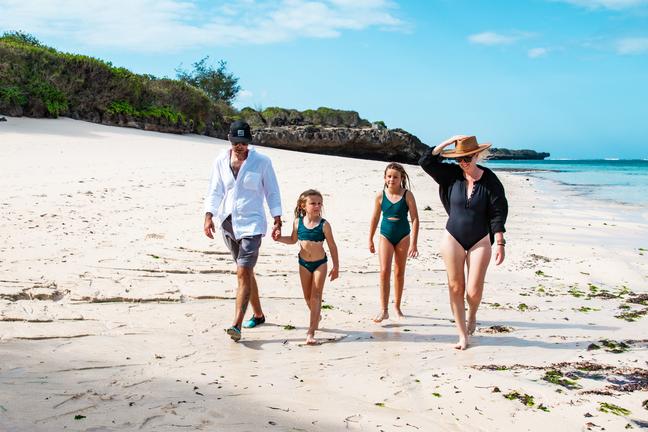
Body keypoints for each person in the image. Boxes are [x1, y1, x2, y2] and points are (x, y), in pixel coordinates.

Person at [419, 135, 508, 350]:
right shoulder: (450, 175)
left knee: (473, 292)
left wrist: (500, 241)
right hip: (453, 237)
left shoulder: (491, 180)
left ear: (476, 155)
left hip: (480, 239)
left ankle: (472, 314)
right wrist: (448, 142)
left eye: (467, 158)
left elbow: (498, 211)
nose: (463, 163)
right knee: (455, 286)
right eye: (459, 159)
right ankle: (462, 335)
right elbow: (426, 162)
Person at [203, 120, 282, 342]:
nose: (240, 147)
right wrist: (208, 216)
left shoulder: (262, 162)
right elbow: (215, 190)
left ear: (249, 142)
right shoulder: (221, 160)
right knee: (246, 272)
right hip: (228, 223)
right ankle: (258, 315)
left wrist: (277, 218)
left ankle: (236, 325)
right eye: (236, 142)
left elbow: (272, 192)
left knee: (242, 271)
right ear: (230, 140)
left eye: (244, 143)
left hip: (252, 224)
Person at [274, 189, 339, 345]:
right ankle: (316, 316)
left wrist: (336, 266)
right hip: (303, 264)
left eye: (319, 203)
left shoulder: (324, 225)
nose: (317, 206)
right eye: (313, 203)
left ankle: (311, 331)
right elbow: (292, 239)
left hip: (320, 264)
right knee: (307, 297)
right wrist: (279, 238)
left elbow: (332, 245)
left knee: (316, 296)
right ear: (303, 206)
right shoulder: (297, 222)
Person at [368, 163, 420, 322]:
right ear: (385, 178)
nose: (392, 179)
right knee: (384, 271)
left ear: (401, 178)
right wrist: (370, 238)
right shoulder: (380, 196)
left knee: (399, 272)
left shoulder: (407, 195)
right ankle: (384, 310)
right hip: (385, 235)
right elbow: (375, 218)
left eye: (395, 177)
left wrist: (414, 243)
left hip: (403, 236)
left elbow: (415, 219)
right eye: (389, 176)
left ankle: (397, 307)